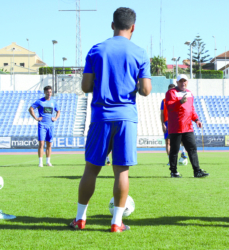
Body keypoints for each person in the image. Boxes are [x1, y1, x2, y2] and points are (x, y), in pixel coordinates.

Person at [70, 7, 152, 233]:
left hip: (100, 117)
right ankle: (116, 222)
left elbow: (86, 86)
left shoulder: (97, 49)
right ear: (133, 27)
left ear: (112, 25)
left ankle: (80, 219)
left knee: (91, 169)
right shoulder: (140, 52)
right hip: (126, 118)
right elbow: (146, 90)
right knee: (121, 171)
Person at [166, 74, 209, 178]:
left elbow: (191, 109)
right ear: (177, 82)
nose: (183, 83)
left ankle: (197, 171)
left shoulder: (189, 93)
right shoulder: (171, 92)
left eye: (185, 81)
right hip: (176, 127)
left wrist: (197, 119)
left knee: (192, 149)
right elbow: (169, 106)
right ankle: (174, 172)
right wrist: (180, 102)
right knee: (174, 150)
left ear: (187, 82)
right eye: (181, 81)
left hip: (188, 127)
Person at [29, 86, 60, 167]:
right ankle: (40, 162)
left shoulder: (54, 102)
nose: (49, 93)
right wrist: (36, 118)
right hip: (42, 125)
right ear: (44, 92)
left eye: (50, 92)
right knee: (41, 143)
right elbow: (31, 109)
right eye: (47, 92)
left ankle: (48, 162)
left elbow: (58, 111)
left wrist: (56, 118)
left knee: (49, 144)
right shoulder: (40, 101)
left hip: (51, 125)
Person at [160, 84, 187, 165]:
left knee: (182, 138)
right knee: (168, 142)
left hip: (177, 121)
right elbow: (162, 114)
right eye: (170, 90)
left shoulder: (180, 100)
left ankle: (183, 153)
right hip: (167, 122)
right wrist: (163, 124)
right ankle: (170, 161)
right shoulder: (164, 101)